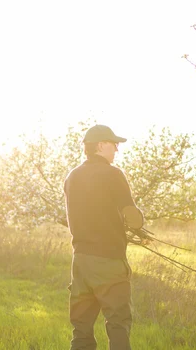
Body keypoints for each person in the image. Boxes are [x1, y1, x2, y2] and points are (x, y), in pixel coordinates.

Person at [63, 124, 144, 350]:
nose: (116, 150)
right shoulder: (113, 173)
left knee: (81, 329)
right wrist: (138, 224)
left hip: (80, 263)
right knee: (118, 323)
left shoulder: (72, 176)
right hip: (109, 262)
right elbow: (132, 217)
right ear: (100, 146)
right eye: (113, 144)